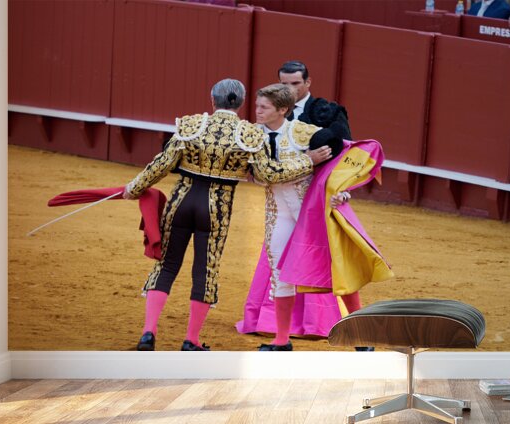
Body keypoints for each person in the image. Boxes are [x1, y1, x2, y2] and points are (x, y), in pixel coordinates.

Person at [125, 79, 330, 352]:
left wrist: (133, 188)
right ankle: (192, 340)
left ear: (213, 99)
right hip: (216, 208)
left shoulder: (191, 125)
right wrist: (308, 161)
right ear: (242, 103)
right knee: (205, 270)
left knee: (166, 265)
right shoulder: (249, 135)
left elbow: (162, 164)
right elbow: (267, 174)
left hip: (182, 200)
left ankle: (148, 334)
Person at [246, 83, 388, 351]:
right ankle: (281, 339)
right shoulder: (253, 136)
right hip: (278, 214)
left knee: (337, 269)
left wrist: (341, 190)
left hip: (312, 213)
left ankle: (362, 337)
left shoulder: (305, 133)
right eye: (257, 105)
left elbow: (343, 158)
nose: (257, 111)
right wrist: (307, 161)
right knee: (280, 272)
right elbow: (262, 176)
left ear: (282, 110)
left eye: (263, 107)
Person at [278, 61, 352, 140]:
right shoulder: (271, 110)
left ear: (308, 82)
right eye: (284, 84)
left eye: (295, 83)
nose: (290, 89)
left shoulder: (330, 112)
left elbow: (346, 147)